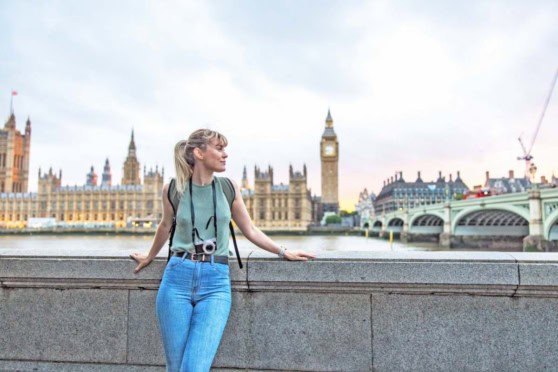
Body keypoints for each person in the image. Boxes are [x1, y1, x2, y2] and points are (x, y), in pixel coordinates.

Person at [130, 129, 315, 372]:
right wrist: (150, 256)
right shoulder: (172, 189)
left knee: (193, 368)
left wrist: (283, 251)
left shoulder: (229, 188)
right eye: (219, 148)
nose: (225, 154)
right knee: (175, 368)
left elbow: (250, 230)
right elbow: (165, 226)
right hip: (176, 277)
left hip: (215, 282)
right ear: (199, 153)